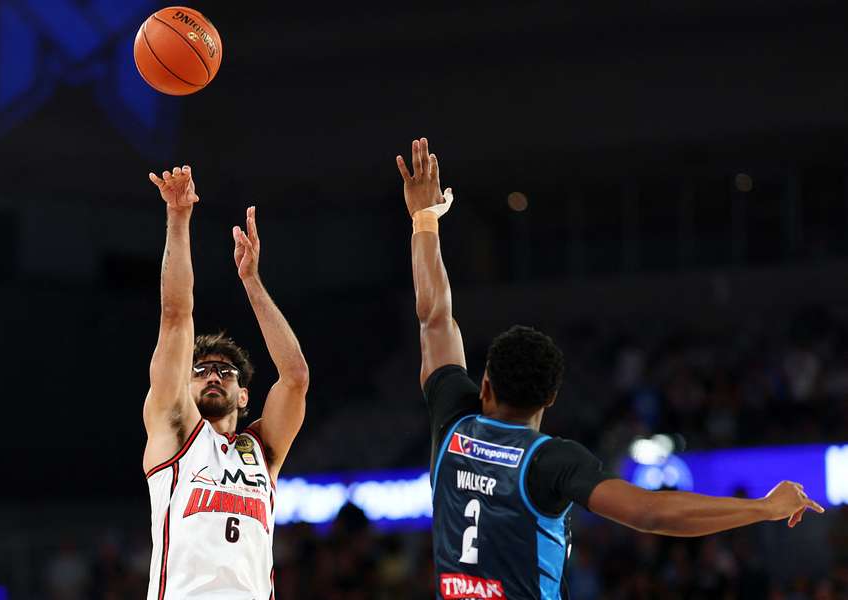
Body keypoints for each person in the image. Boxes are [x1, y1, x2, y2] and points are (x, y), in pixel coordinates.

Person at [396, 138, 825, 600]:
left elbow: (434, 316)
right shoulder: (550, 461)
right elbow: (651, 512)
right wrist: (762, 508)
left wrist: (425, 219)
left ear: (483, 385)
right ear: (551, 399)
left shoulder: (452, 417)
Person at [143, 165, 309, 599]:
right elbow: (176, 317)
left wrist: (252, 281)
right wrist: (178, 220)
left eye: (225, 371)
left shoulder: (263, 452)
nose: (213, 374)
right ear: (187, 386)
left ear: (244, 394)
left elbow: (294, 377)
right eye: (201, 370)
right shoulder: (175, 431)